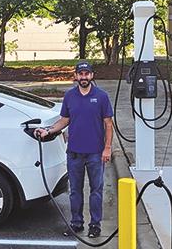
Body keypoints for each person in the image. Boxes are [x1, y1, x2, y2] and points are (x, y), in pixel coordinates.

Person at [35, 61, 113, 238]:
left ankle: (95, 225)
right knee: (75, 191)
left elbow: (108, 124)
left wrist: (107, 148)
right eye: (81, 74)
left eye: (87, 74)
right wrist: (47, 130)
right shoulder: (70, 96)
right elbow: (64, 120)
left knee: (96, 190)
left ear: (92, 76)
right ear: (76, 76)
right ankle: (76, 223)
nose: (84, 77)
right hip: (74, 153)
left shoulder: (101, 96)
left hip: (95, 153)